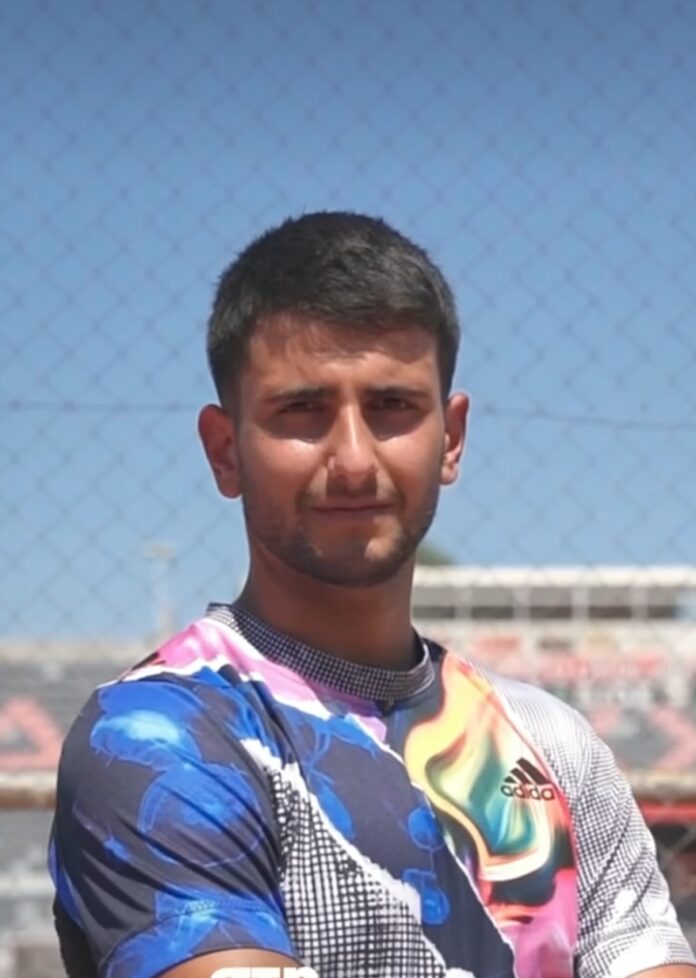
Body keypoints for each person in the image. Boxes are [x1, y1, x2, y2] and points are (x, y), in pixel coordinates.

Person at [49, 211, 696, 978]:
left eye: (392, 407)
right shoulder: (157, 735)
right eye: (302, 410)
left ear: (450, 438)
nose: (354, 459)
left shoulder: (555, 743)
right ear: (226, 451)